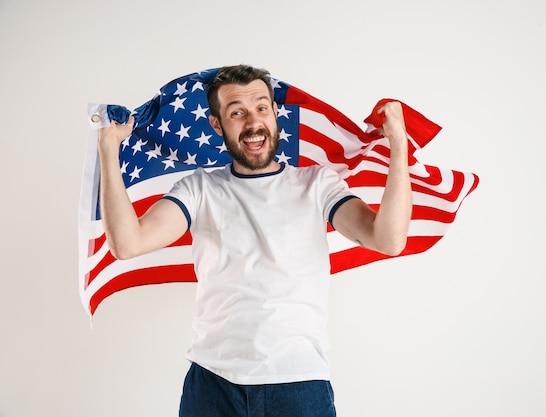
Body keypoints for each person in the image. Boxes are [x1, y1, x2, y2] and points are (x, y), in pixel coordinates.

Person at [97, 64, 412, 417]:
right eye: (237, 112)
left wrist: (398, 145)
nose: (253, 122)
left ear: (276, 114)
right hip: (213, 384)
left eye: (262, 107)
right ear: (216, 124)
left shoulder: (316, 184)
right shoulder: (199, 189)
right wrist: (108, 149)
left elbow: (388, 239)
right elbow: (128, 243)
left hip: (300, 385)